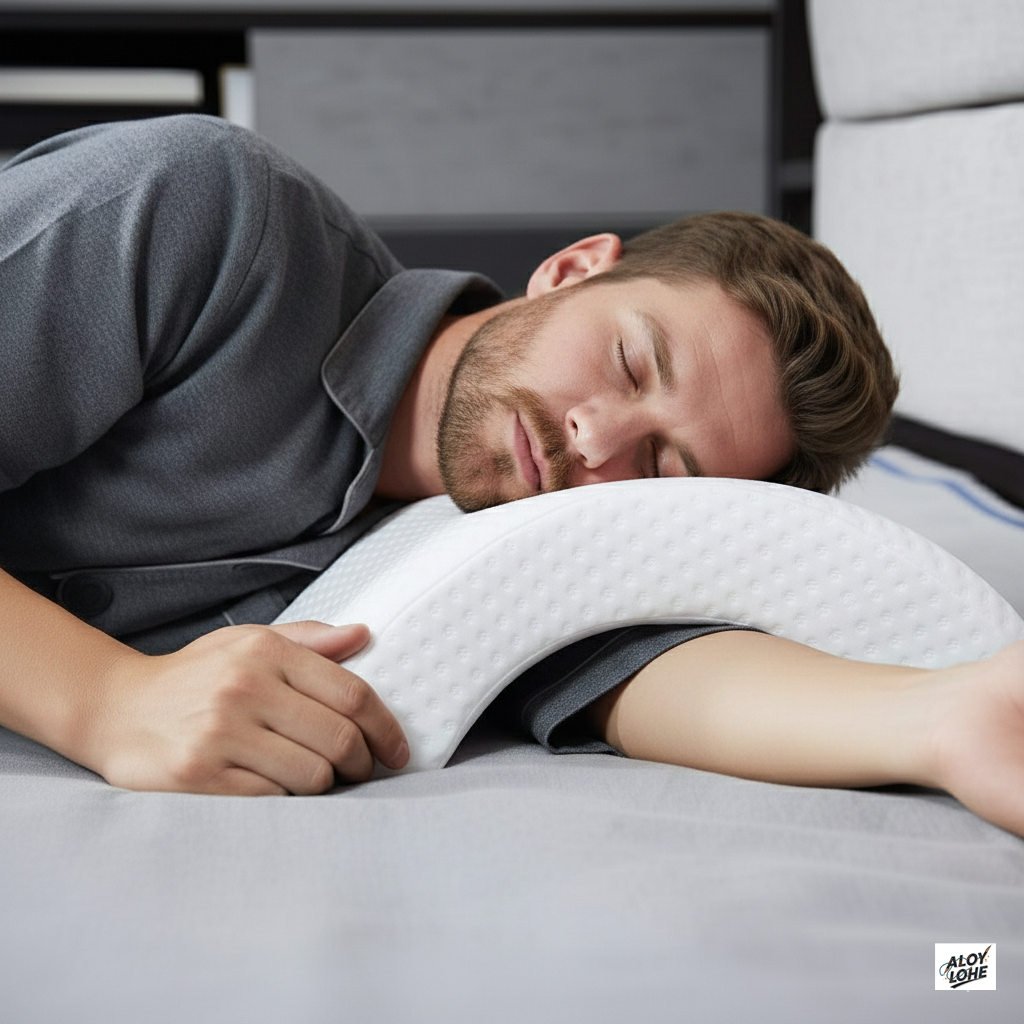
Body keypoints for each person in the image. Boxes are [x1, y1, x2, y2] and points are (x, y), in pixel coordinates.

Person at [1, 115, 1020, 840]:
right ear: (572, 269)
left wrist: (937, 720)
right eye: (630, 363)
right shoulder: (212, 218)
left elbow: (665, 674)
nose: (598, 441)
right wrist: (108, 699)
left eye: (662, 467)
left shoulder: (522, 546)